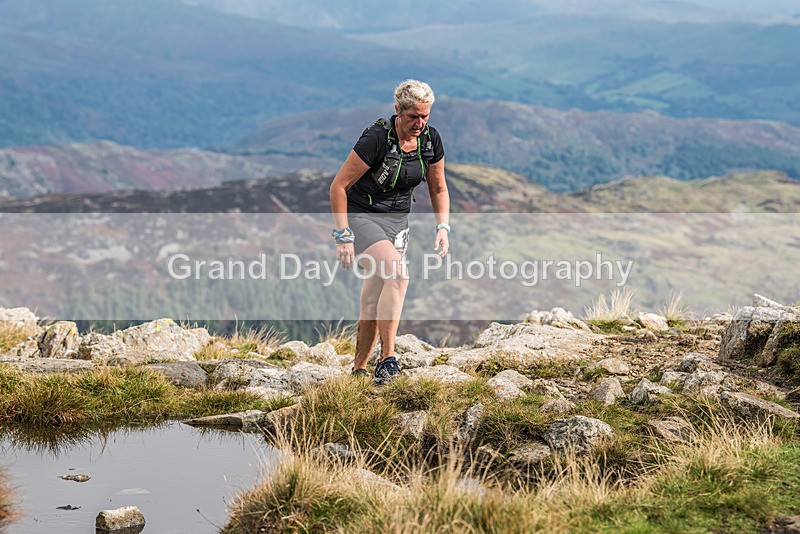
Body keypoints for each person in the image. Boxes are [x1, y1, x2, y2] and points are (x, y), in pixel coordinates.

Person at [329, 79, 450, 384]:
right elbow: (338, 186)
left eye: (425, 116)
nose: (420, 123)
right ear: (398, 110)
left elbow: (438, 187)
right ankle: (388, 360)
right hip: (362, 217)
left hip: (397, 223)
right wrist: (343, 236)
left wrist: (442, 227)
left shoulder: (430, 140)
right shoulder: (376, 139)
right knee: (398, 275)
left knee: (373, 298)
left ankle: (358, 371)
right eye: (413, 116)